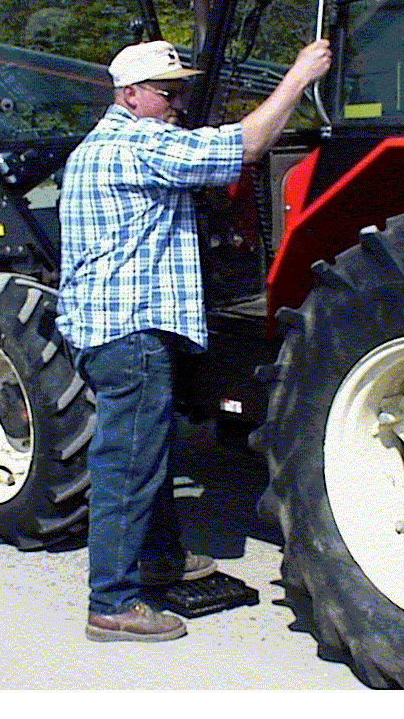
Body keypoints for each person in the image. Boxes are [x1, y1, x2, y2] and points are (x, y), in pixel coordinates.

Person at [56, 37, 331, 642]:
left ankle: (158, 559)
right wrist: (298, 76)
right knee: (127, 465)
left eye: (182, 91)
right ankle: (112, 604)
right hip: (130, 334)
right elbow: (247, 146)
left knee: (145, 454)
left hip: (109, 331)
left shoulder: (98, 146)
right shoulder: (137, 144)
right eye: (167, 92)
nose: (178, 103)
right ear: (130, 95)